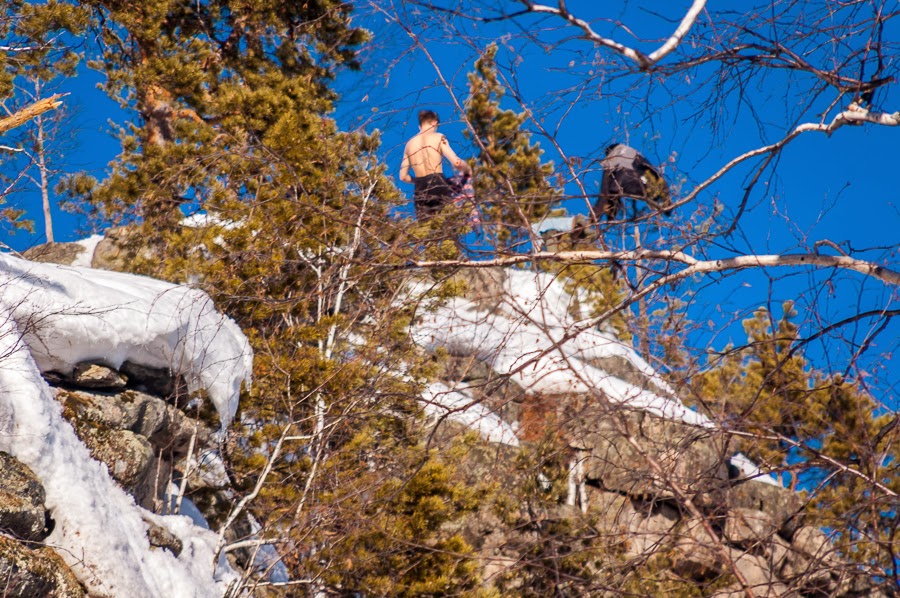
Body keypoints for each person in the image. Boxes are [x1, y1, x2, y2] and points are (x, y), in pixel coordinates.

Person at [399, 110, 472, 219]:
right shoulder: (438, 137)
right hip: (438, 183)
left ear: (420, 126)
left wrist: (418, 181)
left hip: (420, 188)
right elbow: (456, 162)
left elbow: (403, 177)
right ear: (434, 122)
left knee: (426, 231)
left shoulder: (409, 145)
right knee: (446, 225)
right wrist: (468, 169)